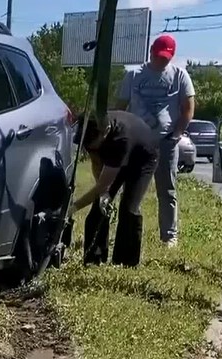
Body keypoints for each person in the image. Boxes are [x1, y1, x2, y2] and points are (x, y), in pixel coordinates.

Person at [116, 33, 196, 249]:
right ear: (151, 51)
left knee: (167, 190)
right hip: (136, 143)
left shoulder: (180, 76)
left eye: (166, 57)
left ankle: (169, 236)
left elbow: (188, 109)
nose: (162, 60)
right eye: (159, 56)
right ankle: (128, 232)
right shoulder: (133, 75)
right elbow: (119, 107)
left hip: (165, 142)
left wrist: (176, 134)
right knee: (131, 190)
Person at [70, 111, 162, 267]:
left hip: (143, 159)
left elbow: (102, 186)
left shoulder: (121, 139)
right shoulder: (88, 129)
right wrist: (104, 194)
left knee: (129, 208)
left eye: (93, 145)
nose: (90, 148)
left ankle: (126, 261)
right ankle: (94, 258)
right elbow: (97, 163)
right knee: (99, 206)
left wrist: (73, 207)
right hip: (117, 157)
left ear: (104, 134)